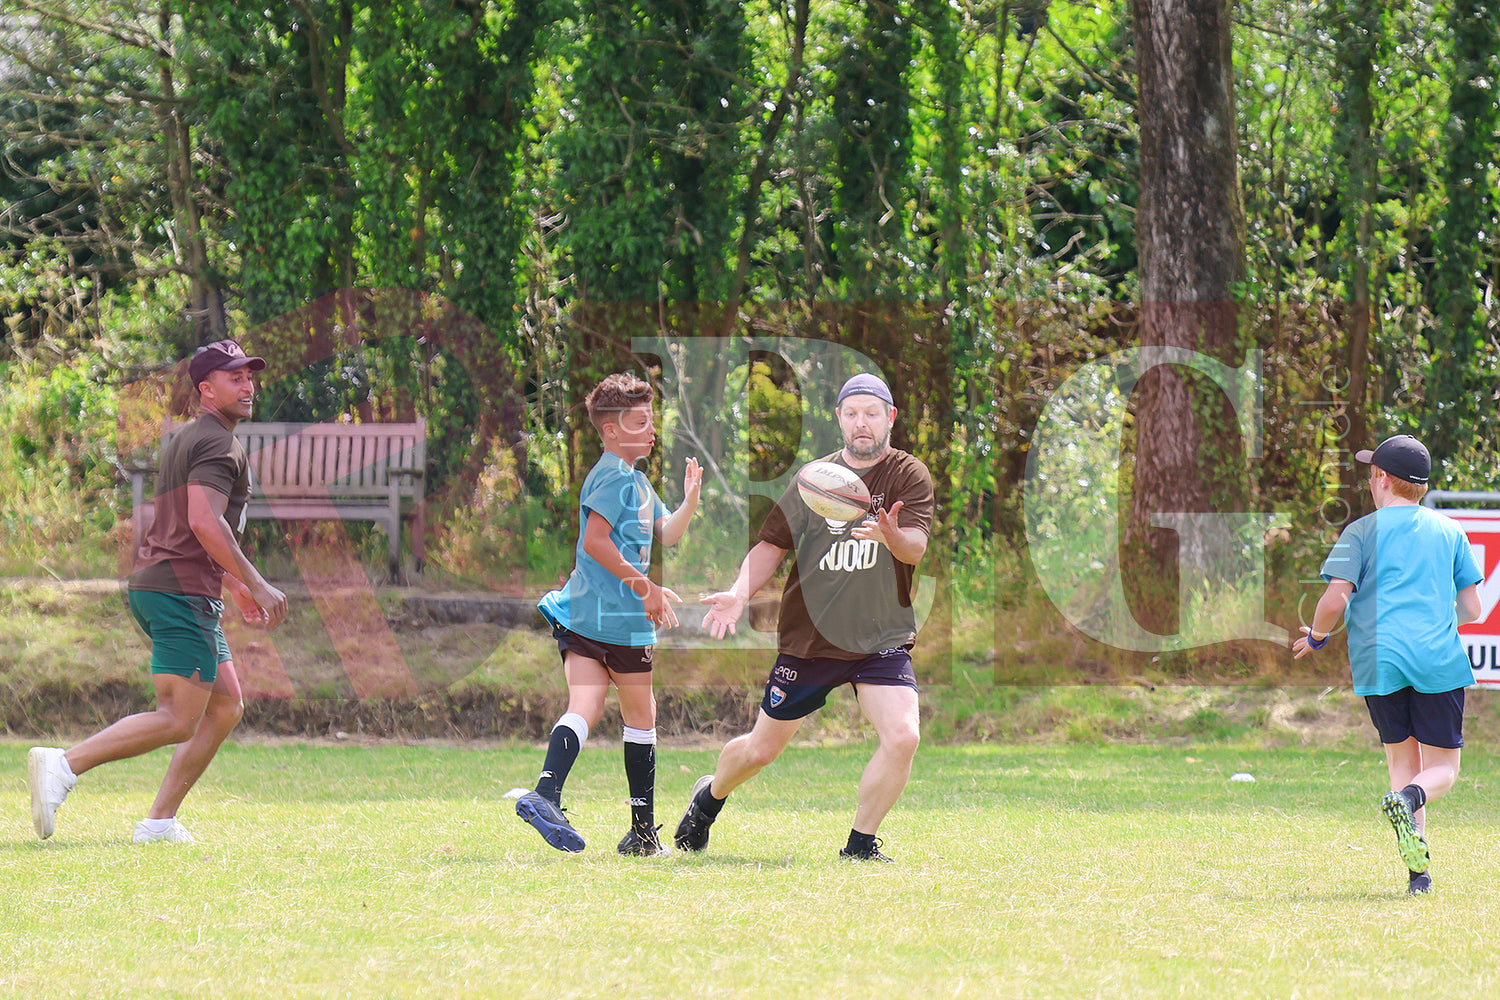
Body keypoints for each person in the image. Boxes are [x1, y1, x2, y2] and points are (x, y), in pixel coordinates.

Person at [28, 339, 289, 844]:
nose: (249, 385)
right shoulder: (218, 443)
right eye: (235, 378)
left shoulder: (190, 436)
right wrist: (257, 581)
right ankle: (63, 765)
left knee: (226, 704)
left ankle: (159, 822)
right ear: (206, 389)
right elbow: (203, 521)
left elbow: (189, 526)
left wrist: (232, 584)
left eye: (250, 376)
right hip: (179, 592)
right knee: (176, 717)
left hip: (169, 586)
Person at [675, 372, 934, 862]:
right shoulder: (815, 479)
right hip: (812, 640)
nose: (862, 423)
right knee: (761, 751)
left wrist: (891, 537)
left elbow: (916, 547)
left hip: (880, 637)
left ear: (890, 418)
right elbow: (771, 545)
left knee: (904, 736)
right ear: (839, 418)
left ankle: (859, 845)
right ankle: (708, 799)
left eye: (872, 413)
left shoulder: (907, 475)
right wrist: (737, 593)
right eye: (852, 413)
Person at [516, 373, 702, 856]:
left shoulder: (636, 482)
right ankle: (641, 836)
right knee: (642, 716)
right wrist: (646, 588)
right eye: (640, 422)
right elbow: (594, 542)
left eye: (651, 421)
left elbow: (668, 533)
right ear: (612, 431)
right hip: (618, 622)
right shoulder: (613, 477)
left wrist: (690, 500)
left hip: (583, 617)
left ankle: (546, 793)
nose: (651, 430)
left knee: (586, 706)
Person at [1294, 433, 1483, 895]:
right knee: (1443, 769)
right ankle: (1409, 803)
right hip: (1438, 660)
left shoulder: (1359, 532)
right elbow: (1474, 609)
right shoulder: (1449, 530)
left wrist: (1317, 637)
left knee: (1403, 759)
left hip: (1378, 661)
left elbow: (1335, 598)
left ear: (1381, 478)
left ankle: (1419, 872)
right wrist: (1439, 619)